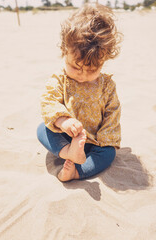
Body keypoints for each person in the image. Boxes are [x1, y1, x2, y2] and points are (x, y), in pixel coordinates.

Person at [37, 3, 121, 182]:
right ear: (64, 52)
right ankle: (68, 152)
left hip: (95, 143)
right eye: (76, 66)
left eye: (92, 70)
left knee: (109, 153)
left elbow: (112, 114)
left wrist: (105, 139)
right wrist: (63, 121)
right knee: (42, 130)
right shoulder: (60, 79)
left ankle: (78, 171)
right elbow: (48, 101)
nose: (83, 75)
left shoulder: (107, 85)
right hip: (66, 138)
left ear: (104, 60)